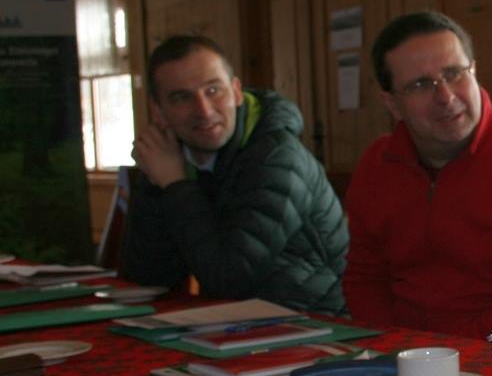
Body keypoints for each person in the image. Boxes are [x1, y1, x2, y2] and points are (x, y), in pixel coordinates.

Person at [343, 11, 492, 339]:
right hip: (405, 360)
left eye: (454, 73)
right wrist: (399, 351)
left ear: (474, 71)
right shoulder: (377, 165)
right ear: (392, 104)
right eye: (420, 85)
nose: (445, 97)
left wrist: (438, 358)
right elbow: (364, 281)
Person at [122, 35, 347, 313]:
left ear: (237, 92)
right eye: (182, 98)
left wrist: (175, 185)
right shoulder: (166, 157)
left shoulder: (278, 157)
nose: (204, 111)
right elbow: (146, 280)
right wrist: (159, 186)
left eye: (214, 90)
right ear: (158, 111)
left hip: (317, 325)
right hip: (230, 327)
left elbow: (230, 279)